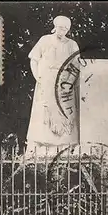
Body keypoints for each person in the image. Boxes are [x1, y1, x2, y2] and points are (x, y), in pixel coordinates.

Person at [26, 15, 80, 156]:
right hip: (46, 81)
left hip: (64, 84)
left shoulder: (72, 44)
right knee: (43, 112)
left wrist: (69, 83)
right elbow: (34, 59)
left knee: (64, 112)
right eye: (60, 28)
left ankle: (65, 146)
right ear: (55, 27)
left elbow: (76, 66)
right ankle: (39, 144)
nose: (62, 32)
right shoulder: (44, 40)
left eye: (65, 29)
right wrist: (38, 76)